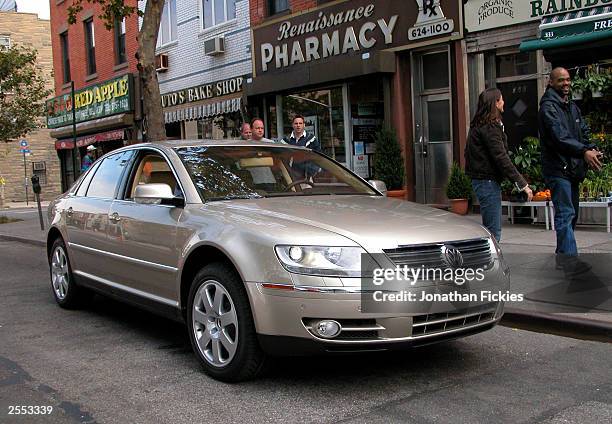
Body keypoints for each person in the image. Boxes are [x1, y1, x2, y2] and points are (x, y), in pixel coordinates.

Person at [539, 67, 602, 259]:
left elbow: (583, 130)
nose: (566, 84)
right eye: (561, 80)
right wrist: (584, 151)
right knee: (566, 214)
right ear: (551, 82)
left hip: (573, 169)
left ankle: (563, 256)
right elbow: (559, 137)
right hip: (558, 169)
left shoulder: (571, 106)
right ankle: (570, 261)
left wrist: (592, 148)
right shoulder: (548, 108)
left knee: (571, 215)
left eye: (567, 80)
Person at [465, 88, 533, 242]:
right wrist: (522, 184)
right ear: (495, 103)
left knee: (491, 230)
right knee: (493, 232)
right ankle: (490, 264)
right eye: (501, 99)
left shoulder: (480, 125)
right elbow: (501, 157)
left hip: (484, 180)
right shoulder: (490, 126)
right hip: (487, 181)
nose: (504, 102)